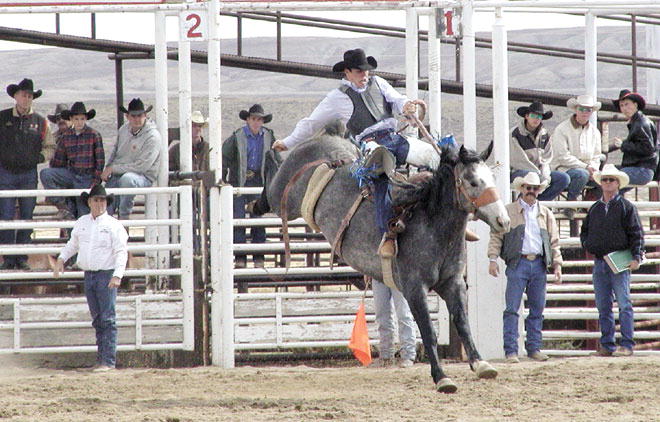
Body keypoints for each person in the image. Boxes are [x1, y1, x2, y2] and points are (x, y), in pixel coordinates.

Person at [271, 49, 440, 257]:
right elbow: (311, 123)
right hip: (370, 144)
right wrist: (287, 142)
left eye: (366, 71)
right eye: (359, 71)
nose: (364, 75)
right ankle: (387, 235)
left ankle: (447, 212)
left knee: (436, 157)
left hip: (395, 138)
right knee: (381, 171)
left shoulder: (379, 83)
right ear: (347, 72)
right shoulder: (337, 98)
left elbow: (397, 99)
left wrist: (406, 105)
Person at [51, 184, 128, 372]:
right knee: (99, 319)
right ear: (89, 202)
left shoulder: (114, 225)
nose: (100, 203)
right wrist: (61, 258)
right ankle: (103, 360)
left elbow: (121, 252)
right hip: (90, 274)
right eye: (96, 200)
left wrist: (117, 275)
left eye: (102, 200)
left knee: (106, 319)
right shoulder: (82, 223)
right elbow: (73, 244)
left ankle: (107, 361)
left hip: (106, 274)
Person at [487, 172, 562, 363]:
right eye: (528, 188)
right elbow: (496, 236)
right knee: (512, 309)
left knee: (536, 309)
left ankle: (533, 348)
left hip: (538, 263)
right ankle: (511, 351)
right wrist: (492, 259)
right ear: (522, 189)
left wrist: (557, 264)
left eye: (535, 188)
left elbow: (554, 241)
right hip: (518, 262)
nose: (531, 191)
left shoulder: (546, 213)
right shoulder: (508, 211)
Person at [580, 164, 643, 357]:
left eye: (611, 180)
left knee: (623, 304)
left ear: (617, 184)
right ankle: (608, 344)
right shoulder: (595, 209)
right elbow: (585, 232)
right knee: (604, 305)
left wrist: (636, 256)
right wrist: (589, 245)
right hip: (601, 261)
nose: (607, 183)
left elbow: (636, 234)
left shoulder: (626, 207)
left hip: (619, 261)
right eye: (605, 179)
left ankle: (626, 344)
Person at [0, 78, 55, 270]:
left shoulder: (41, 122)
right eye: (24, 95)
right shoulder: (2, 118)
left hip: (28, 174)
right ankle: (8, 257)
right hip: (5, 172)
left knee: (26, 214)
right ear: (15, 96)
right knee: (5, 215)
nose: (26, 98)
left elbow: (50, 146)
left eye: (30, 96)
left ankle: (22, 256)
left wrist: (39, 158)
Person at [222, 104, 280, 268]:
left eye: (259, 119)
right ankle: (240, 258)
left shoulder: (269, 137)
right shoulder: (237, 137)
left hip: (259, 182)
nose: (256, 122)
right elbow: (224, 157)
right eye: (253, 119)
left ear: (262, 121)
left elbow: (276, 159)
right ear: (247, 120)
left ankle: (258, 257)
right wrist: (223, 179)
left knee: (257, 219)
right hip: (239, 181)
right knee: (238, 218)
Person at [40, 102, 105, 219]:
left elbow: (100, 161)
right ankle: (62, 204)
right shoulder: (66, 136)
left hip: (87, 177)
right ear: (71, 119)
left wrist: (95, 183)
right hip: (71, 174)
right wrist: (57, 182)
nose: (79, 122)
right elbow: (58, 161)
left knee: (83, 213)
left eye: (82, 119)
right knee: (46, 174)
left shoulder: (94, 135)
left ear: (86, 119)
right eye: (76, 119)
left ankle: (73, 218)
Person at [102, 98, 162, 219]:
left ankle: (124, 216)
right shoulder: (123, 130)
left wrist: (113, 169)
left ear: (145, 115)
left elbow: (142, 167)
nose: (137, 119)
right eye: (133, 116)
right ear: (127, 116)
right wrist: (108, 168)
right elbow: (115, 152)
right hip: (119, 173)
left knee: (127, 180)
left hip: (143, 176)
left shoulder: (152, 137)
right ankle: (105, 222)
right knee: (103, 198)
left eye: (139, 115)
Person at [510, 101, 570, 201]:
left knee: (563, 179)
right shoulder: (515, 134)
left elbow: (546, 158)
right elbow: (518, 160)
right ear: (526, 116)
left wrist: (545, 174)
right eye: (533, 115)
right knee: (534, 177)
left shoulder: (545, 135)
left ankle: (538, 202)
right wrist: (537, 174)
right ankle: (524, 203)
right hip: (518, 171)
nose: (536, 119)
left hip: (540, 172)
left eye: (539, 116)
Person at [550, 94, 603, 208]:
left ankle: (589, 206)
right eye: (582, 109)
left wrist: (593, 169)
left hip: (588, 170)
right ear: (576, 109)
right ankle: (571, 204)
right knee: (581, 175)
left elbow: (596, 155)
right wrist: (586, 167)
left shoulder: (595, 132)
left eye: (588, 110)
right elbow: (562, 157)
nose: (585, 112)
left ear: (592, 112)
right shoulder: (562, 129)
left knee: (607, 179)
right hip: (564, 169)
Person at [611, 90, 658, 187]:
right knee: (611, 180)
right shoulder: (639, 122)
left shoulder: (640, 124)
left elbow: (647, 149)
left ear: (635, 105)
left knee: (609, 179)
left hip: (642, 170)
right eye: (621, 106)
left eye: (627, 104)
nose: (624, 108)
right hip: (641, 169)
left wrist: (623, 145)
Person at [372, 279, 417, 368]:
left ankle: (408, 355)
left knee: (403, 314)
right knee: (382, 314)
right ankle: (386, 355)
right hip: (378, 274)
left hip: (398, 274)